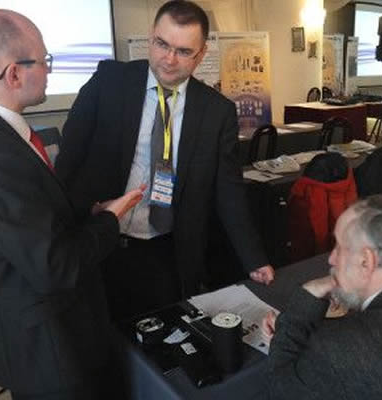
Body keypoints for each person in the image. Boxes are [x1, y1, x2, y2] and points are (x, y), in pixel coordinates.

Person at [0, 8, 144, 400]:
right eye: (44, 60)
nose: (50, 70)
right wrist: (112, 218)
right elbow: (57, 266)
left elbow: (25, 220)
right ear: (13, 74)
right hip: (47, 350)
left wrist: (86, 213)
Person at [55, 0, 274, 320]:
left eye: (183, 51)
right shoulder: (109, 82)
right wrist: (66, 224)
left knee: (163, 332)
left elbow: (229, 191)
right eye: (162, 44)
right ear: (151, 36)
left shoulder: (217, 112)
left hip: (167, 250)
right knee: (99, 333)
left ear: (201, 54)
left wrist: (254, 258)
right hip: (99, 239)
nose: (169, 59)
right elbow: (69, 159)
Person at [263, 195, 382, 399]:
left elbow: (281, 389)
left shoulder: (341, 347)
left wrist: (301, 308)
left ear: (365, 261)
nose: (331, 258)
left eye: (339, 247)